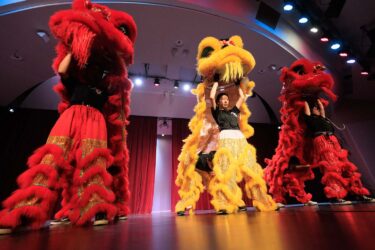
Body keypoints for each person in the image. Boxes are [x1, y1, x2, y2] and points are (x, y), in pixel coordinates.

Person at [0, 0, 137, 234]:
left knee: (93, 163)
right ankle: (25, 210)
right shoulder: (76, 76)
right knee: (51, 160)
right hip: (71, 116)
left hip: (95, 121)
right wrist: (76, 46)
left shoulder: (109, 81)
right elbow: (62, 70)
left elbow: (119, 96)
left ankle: (97, 209)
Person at [304, 99, 373, 203]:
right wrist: (306, 99)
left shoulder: (323, 118)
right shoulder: (310, 119)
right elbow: (306, 107)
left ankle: (360, 193)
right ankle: (337, 195)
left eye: (317, 108)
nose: (316, 109)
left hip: (332, 140)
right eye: (314, 108)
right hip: (322, 141)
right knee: (331, 168)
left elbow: (322, 108)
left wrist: (316, 98)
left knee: (346, 166)